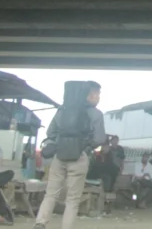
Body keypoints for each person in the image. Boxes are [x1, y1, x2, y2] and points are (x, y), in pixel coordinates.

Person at [34, 81, 105, 229]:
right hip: (79, 157)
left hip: (59, 156)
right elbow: (99, 139)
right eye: (97, 94)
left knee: (51, 194)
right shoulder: (96, 114)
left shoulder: (62, 110)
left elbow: (50, 133)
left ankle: (40, 223)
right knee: (72, 199)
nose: (98, 98)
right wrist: (84, 148)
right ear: (90, 95)